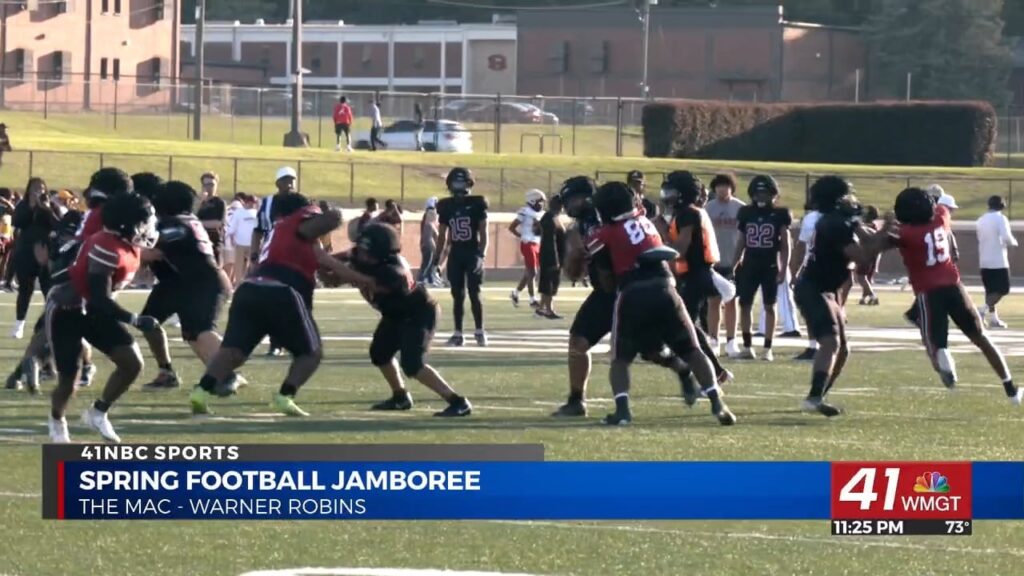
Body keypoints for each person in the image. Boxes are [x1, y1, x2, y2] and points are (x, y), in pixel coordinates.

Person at [189, 193, 373, 417]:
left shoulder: (278, 233)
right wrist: (367, 280)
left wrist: (342, 274)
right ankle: (285, 396)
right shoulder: (297, 223)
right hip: (281, 292)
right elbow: (330, 228)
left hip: (249, 290)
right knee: (311, 353)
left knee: (233, 352)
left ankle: (200, 391)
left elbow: (325, 270)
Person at [589, 181, 736, 426]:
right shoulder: (647, 222)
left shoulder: (606, 232)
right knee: (692, 350)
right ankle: (717, 403)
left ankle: (623, 411)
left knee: (620, 359)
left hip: (633, 291)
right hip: (666, 288)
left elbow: (600, 267)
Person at [45, 191, 160, 443]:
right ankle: (57, 420)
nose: (148, 227)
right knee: (69, 379)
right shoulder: (106, 246)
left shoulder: (127, 243)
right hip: (68, 310)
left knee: (132, 363)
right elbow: (99, 297)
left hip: (95, 310)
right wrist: (135, 320)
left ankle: (98, 413)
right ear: (127, 223)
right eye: (144, 221)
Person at [887, 187, 1019, 405]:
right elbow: (940, 206)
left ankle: (946, 366)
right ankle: (1010, 387)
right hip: (955, 287)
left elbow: (884, 241)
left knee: (934, 345)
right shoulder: (941, 216)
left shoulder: (905, 234)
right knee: (982, 337)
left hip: (928, 292)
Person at [342, 224, 473, 416]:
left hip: (418, 313)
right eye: (360, 249)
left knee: (412, 364)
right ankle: (400, 396)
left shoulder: (392, 271)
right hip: (395, 314)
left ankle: (457, 401)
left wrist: (330, 266)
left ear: (379, 252)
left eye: (365, 251)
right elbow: (339, 265)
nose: (360, 254)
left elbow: (366, 280)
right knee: (380, 353)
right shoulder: (363, 259)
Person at [793, 176, 891, 418]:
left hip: (826, 289)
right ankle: (814, 397)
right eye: (847, 195)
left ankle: (818, 395)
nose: (852, 199)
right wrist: (888, 238)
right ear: (836, 199)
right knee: (831, 342)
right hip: (814, 288)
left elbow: (868, 239)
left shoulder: (840, 220)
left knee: (843, 348)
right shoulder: (833, 224)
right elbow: (862, 257)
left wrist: (886, 233)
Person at [138, 181, 236, 391]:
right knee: (148, 321)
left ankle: (226, 374)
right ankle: (166, 372)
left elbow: (152, 250)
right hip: (177, 282)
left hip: (203, 282)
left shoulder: (173, 224)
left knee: (199, 331)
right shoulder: (184, 220)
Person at [5, 210, 94, 394]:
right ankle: (81, 369)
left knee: (47, 337)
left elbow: (60, 273)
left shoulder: (71, 245)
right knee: (56, 337)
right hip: (68, 300)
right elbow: (60, 274)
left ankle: (21, 375)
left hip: (67, 299)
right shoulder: (72, 245)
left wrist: (45, 261)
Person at [557, 176, 613, 417]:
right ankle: (576, 399)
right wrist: (575, 255)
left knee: (651, 349)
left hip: (629, 290)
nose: (568, 205)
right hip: (604, 293)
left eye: (572, 199)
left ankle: (695, 376)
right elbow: (572, 273)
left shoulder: (608, 217)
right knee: (578, 341)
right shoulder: (579, 227)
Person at [732, 175, 792, 362]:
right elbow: (741, 241)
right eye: (758, 193)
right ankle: (748, 346)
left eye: (765, 192)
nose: (761, 196)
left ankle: (767, 348)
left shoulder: (780, 214)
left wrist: (783, 269)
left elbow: (785, 244)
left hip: (770, 265)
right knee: (745, 304)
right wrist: (734, 264)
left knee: (769, 306)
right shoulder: (746, 213)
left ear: (773, 194)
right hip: (749, 264)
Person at [434, 168, 489, 347]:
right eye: (455, 183)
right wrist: (437, 260)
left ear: (469, 184)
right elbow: (442, 236)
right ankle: (458, 334)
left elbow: (484, 233)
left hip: (472, 252)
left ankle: (480, 331)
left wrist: (482, 255)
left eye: (461, 182)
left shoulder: (477, 204)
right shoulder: (446, 206)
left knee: (475, 293)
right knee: (457, 295)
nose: (458, 187)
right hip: (456, 254)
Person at [251, 167, 299, 357]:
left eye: (292, 180)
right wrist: (254, 255)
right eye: (285, 180)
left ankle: (295, 342)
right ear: (277, 183)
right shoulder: (269, 203)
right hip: (273, 256)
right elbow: (258, 230)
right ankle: (275, 342)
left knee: (296, 301)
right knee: (273, 300)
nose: (289, 184)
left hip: (296, 257)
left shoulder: (301, 202)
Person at [11, 177, 59, 339]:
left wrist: (45, 208)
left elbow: (57, 224)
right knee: (25, 290)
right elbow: (17, 222)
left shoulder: (49, 206)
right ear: (29, 189)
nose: (39, 190)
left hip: (44, 252)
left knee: (48, 289)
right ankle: (19, 325)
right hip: (25, 252)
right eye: (35, 187)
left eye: (41, 187)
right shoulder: (23, 206)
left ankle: (50, 324)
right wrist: (31, 207)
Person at [704, 173, 744, 356]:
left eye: (725, 185)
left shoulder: (740, 208)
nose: (722, 189)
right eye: (719, 185)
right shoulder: (707, 209)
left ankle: (731, 341)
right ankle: (713, 341)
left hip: (734, 261)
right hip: (713, 262)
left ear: (731, 187)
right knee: (713, 301)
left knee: (732, 301)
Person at [976, 195, 1017, 328]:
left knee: (990, 290)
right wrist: (1014, 243)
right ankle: (981, 310)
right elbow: (1006, 237)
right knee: (1003, 289)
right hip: (998, 260)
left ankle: (994, 319)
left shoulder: (981, 220)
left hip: (984, 260)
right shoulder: (1001, 218)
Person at [791, 201, 823, 361]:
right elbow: (802, 246)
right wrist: (795, 271)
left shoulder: (840, 217)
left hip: (834, 268)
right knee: (809, 308)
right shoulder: (811, 218)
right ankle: (813, 346)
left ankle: (830, 345)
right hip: (812, 266)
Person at [509, 189, 545, 308]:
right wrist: (522, 236)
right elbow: (512, 227)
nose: (541, 204)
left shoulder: (541, 213)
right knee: (533, 272)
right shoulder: (525, 212)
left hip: (537, 243)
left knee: (530, 273)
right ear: (532, 200)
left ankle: (515, 293)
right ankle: (532, 300)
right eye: (539, 202)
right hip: (528, 243)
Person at [537, 195, 567, 319]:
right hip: (550, 256)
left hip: (555, 255)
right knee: (549, 282)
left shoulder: (554, 217)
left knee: (550, 282)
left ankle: (541, 308)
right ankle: (549, 310)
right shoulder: (549, 218)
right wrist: (555, 259)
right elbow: (550, 241)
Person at [227, 193, 258, 287]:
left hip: (253, 244)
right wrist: (231, 237)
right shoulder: (239, 212)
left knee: (252, 265)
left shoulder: (257, 213)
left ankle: (252, 283)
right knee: (239, 265)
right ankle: (237, 284)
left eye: (253, 203)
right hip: (240, 243)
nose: (251, 204)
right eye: (249, 202)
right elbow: (232, 226)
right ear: (246, 202)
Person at [197, 172, 227, 268]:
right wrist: (199, 202)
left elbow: (218, 223)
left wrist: (198, 224)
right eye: (206, 185)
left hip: (214, 241)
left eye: (212, 184)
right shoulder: (198, 202)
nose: (209, 187)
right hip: (199, 242)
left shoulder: (219, 203)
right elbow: (190, 216)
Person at [855, 205, 882, 306]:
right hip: (872, 253)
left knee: (861, 277)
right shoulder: (874, 226)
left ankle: (872, 296)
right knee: (867, 278)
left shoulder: (867, 227)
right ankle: (864, 297)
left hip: (867, 254)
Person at [419, 197, 441, 286]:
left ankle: (430, 279)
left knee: (430, 262)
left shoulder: (427, 214)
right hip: (428, 241)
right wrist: (438, 235)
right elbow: (430, 226)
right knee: (427, 262)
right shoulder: (431, 213)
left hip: (428, 240)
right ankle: (420, 280)